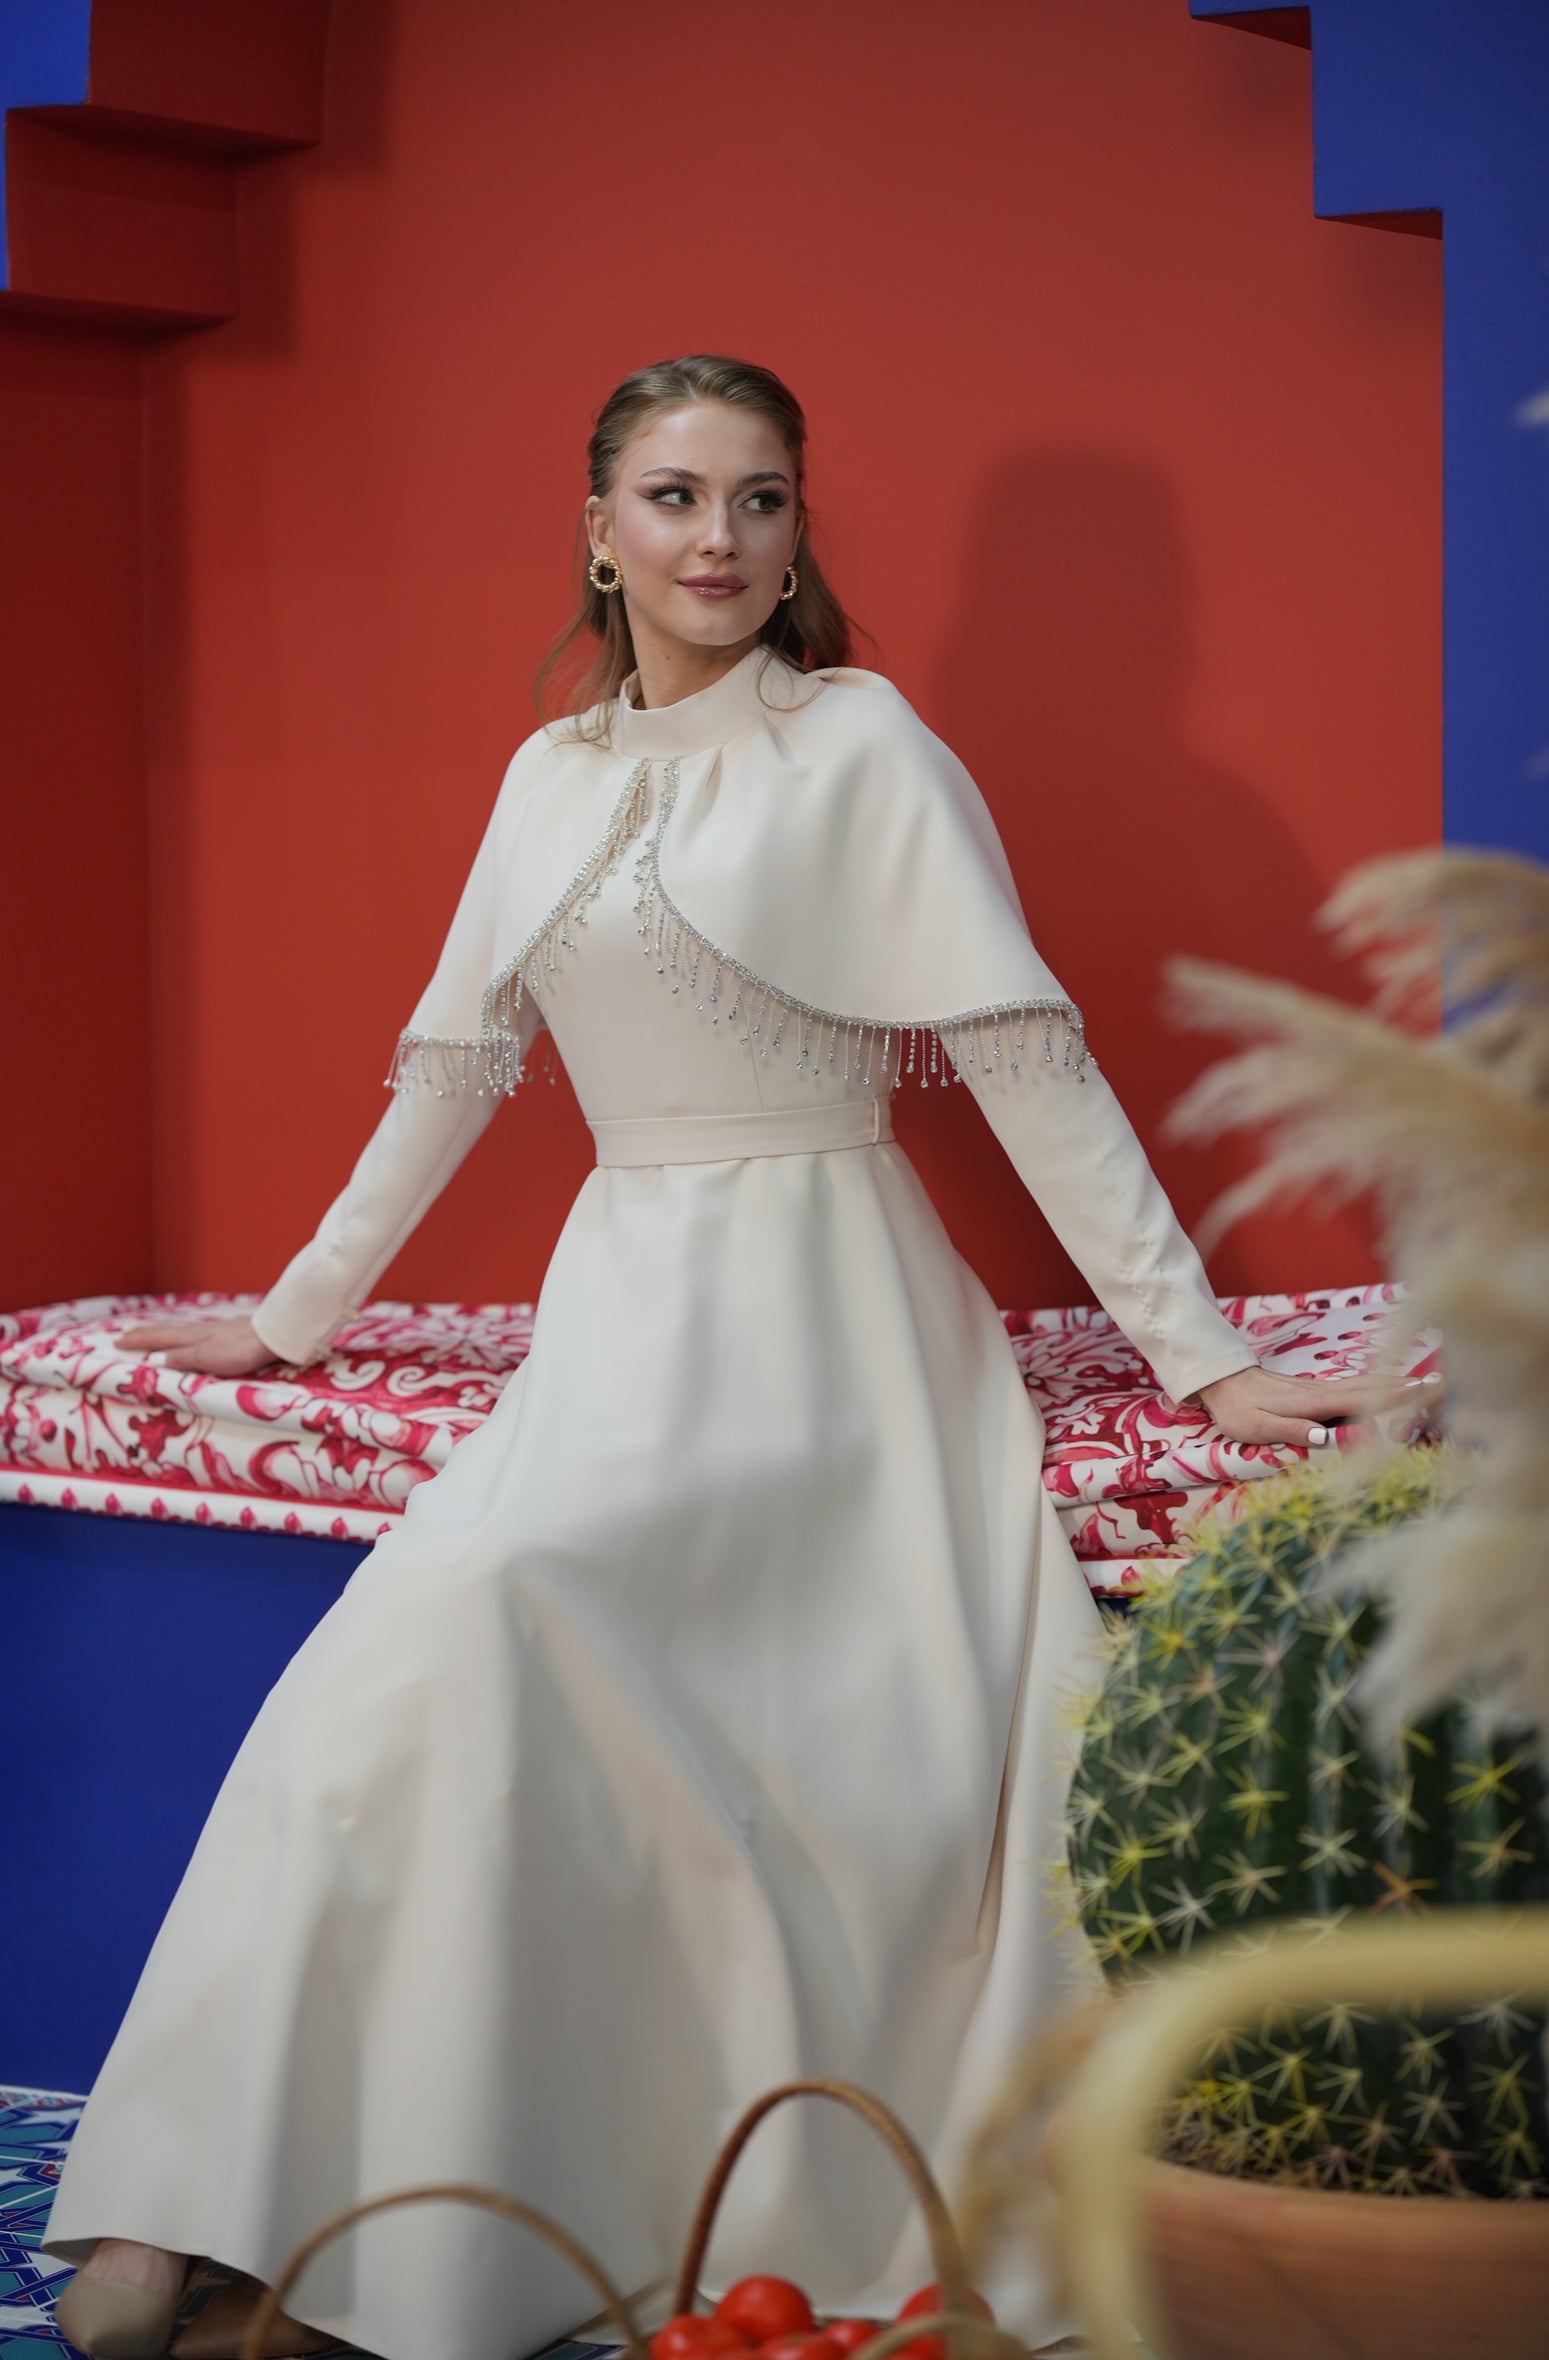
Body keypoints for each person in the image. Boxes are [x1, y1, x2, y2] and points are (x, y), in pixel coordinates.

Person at [44, 355, 1402, 2360]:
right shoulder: (547, 772)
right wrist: (290, 1317)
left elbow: (1027, 1059)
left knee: (522, 1608)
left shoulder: (861, 743)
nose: (720, 539)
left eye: (760, 500)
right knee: (429, 1628)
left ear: (793, 535)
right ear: (598, 532)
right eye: (675, 497)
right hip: (627, 1300)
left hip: (830, 1316)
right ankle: (210, 2197)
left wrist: (1197, 1362)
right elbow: (454, 1068)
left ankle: (395, 2238)